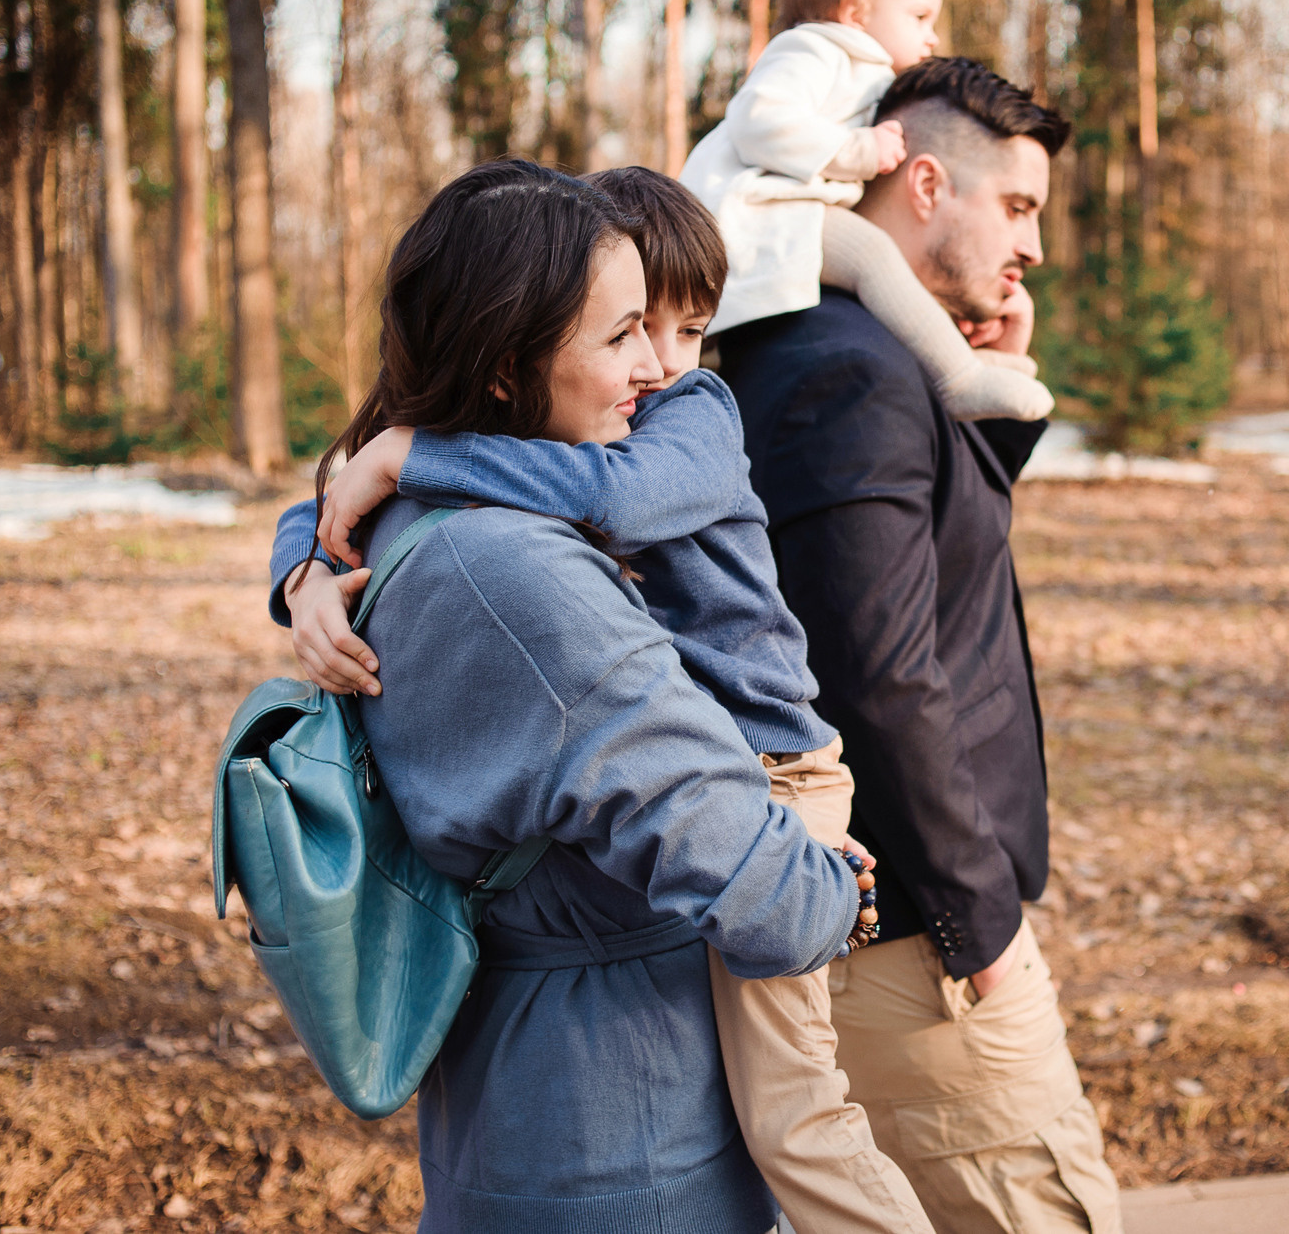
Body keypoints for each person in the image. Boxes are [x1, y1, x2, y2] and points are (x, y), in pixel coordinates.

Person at [274, 168, 935, 1234]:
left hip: (773, 770)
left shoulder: (652, 431)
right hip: (622, 1115)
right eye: (627, 330)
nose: (660, 365)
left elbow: (599, 497)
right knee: (802, 1120)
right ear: (511, 359)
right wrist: (305, 572)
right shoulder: (516, 565)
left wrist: (398, 461)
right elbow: (766, 893)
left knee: (801, 1109)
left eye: (683, 329)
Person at [715, 57, 1125, 1233]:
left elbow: (931, 566)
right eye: (1017, 206)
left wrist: (998, 381)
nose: (1034, 244)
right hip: (912, 945)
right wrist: (976, 925)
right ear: (926, 182)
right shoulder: (850, 370)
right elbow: (877, 678)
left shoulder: (836, 347)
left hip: (900, 926)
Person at [680, 0, 1053, 424]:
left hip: (782, 213)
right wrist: (858, 150)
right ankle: (960, 377)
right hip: (754, 215)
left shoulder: (860, 70)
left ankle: (954, 360)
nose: (932, 38)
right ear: (855, 13)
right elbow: (757, 118)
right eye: (919, 17)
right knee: (872, 254)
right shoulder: (813, 50)